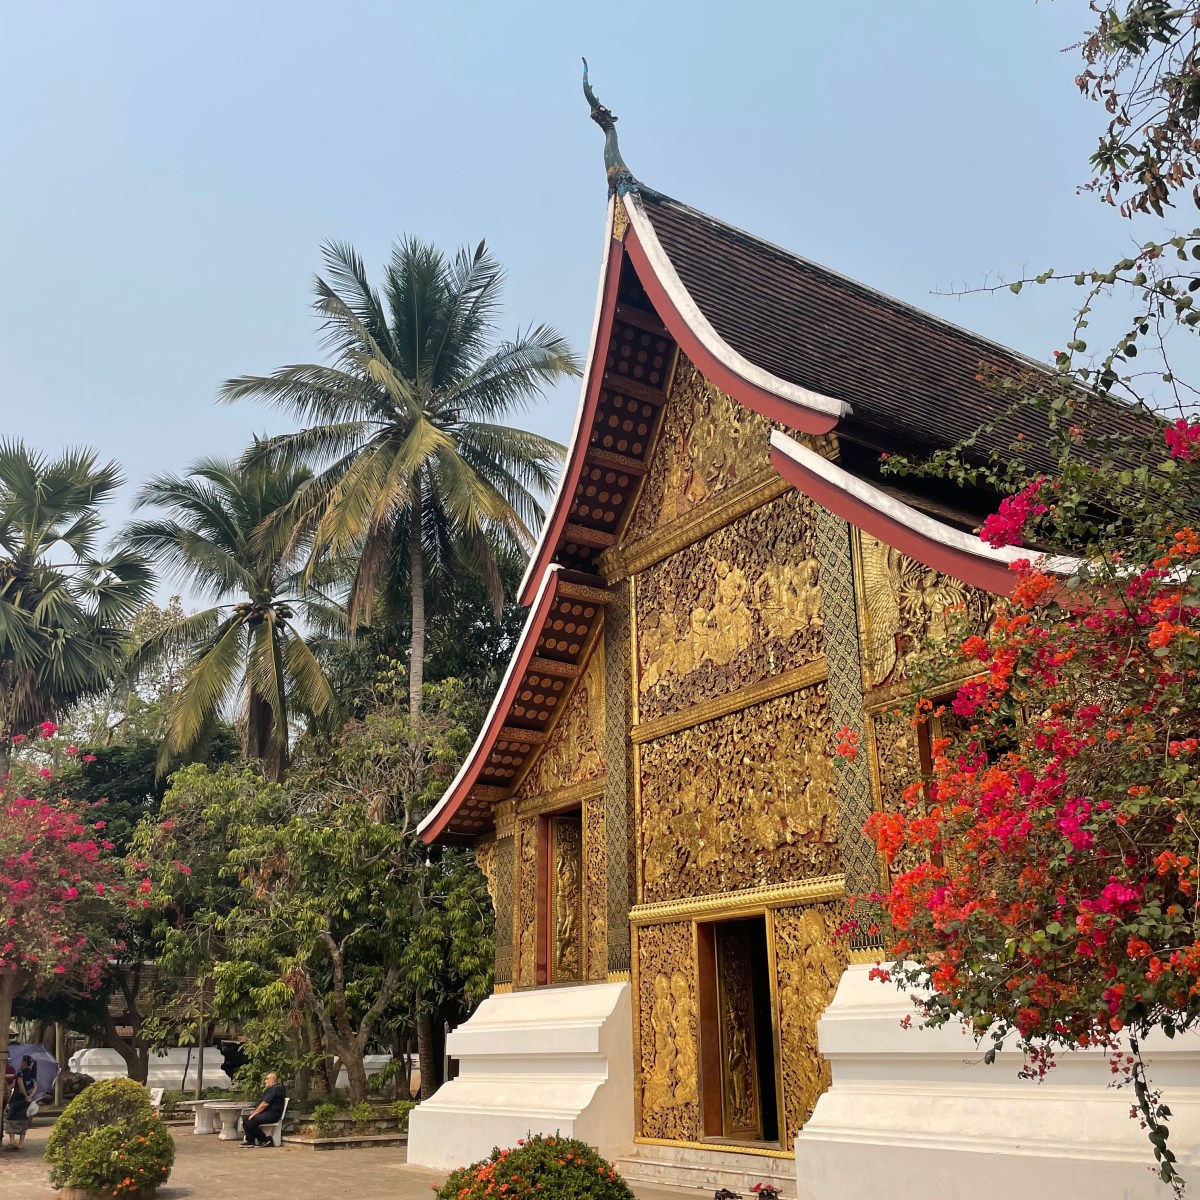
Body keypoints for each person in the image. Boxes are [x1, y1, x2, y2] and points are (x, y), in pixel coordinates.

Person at [240, 1072, 285, 1147]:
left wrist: (254, 1114)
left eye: (267, 1079)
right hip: (266, 1114)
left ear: (273, 1079)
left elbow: (265, 1104)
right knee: (245, 1119)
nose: (265, 1081)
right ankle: (250, 1141)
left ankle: (265, 1140)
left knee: (251, 1120)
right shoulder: (272, 1089)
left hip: (272, 1115)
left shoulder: (275, 1088)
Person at [4, 1055, 37, 1152]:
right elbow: (35, 1087)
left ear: (24, 1062)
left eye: (21, 1061)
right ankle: (21, 1143)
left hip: (17, 1099)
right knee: (23, 1119)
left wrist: (25, 1094)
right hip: (27, 1101)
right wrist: (30, 1096)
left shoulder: (20, 1072)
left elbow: (21, 1084)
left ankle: (12, 1140)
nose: (20, 1063)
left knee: (10, 1117)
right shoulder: (32, 1073)